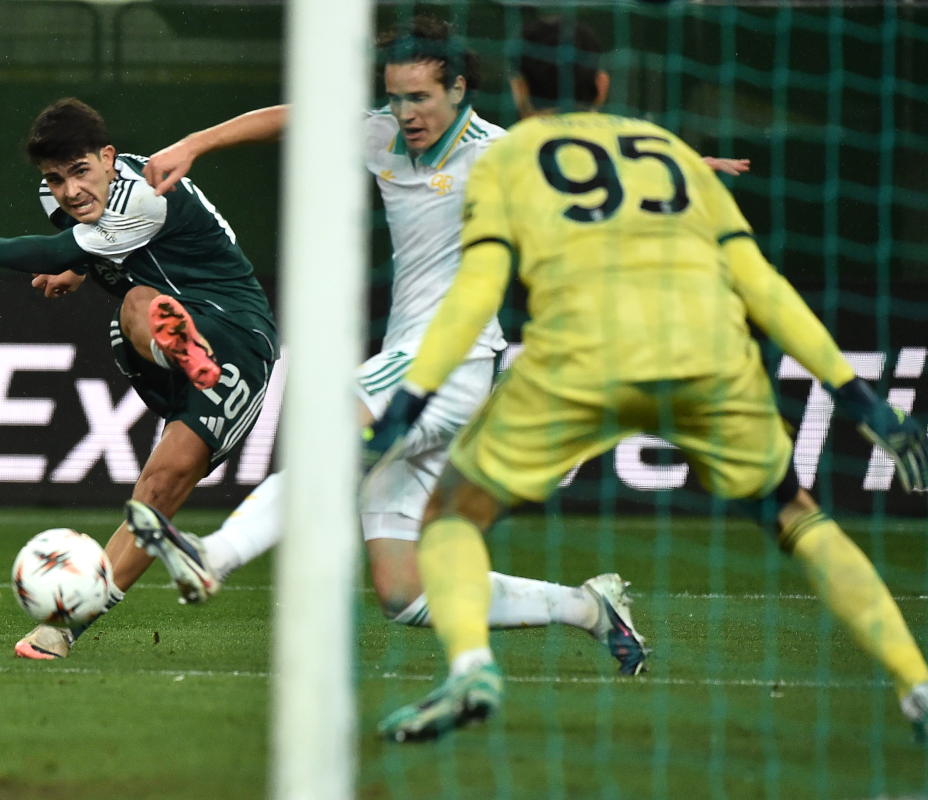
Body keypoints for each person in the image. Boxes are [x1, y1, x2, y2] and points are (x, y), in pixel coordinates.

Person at [364, 17, 928, 746]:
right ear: (603, 85)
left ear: (520, 91)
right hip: (708, 357)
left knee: (453, 516)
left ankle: (471, 669)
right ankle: (924, 692)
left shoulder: (505, 156)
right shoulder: (671, 152)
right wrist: (857, 395)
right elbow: (761, 284)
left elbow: (475, 293)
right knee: (799, 516)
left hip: (580, 361)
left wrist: (410, 398)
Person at [121, 17, 684, 671]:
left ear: (459, 90)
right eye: (395, 97)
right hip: (423, 373)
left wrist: (680, 172)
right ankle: (587, 608)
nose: (406, 112)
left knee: (330, 436)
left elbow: (584, 172)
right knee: (403, 592)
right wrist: (195, 143)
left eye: (420, 97)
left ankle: (215, 554)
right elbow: (297, 117)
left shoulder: (499, 154)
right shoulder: (383, 135)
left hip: (448, 361)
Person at [0, 98, 280, 660]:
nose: (69, 191)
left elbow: (55, 248)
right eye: (55, 178)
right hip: (171, 345)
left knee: (157, 489)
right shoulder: (63, 198)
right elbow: (86, 245)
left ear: (109, 157)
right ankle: (179, 350)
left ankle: (64, 627)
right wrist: (79, 269)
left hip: (235, 333)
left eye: (81, 171)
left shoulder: (144, 195)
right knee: (137, 309)